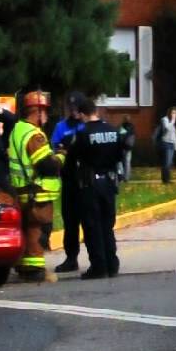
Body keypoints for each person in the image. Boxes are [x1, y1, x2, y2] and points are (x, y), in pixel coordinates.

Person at [6, 90, 64, 282]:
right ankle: (34, 270)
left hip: (24, 191)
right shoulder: (34, 135)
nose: (46, 116)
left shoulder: (18, 130)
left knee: (28, 228)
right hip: (37, 193)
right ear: (37, 112)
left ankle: (24, 265)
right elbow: (46, 165)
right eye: (44, 111)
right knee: (37, 231)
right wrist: (62, 156)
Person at [65, 96, 123, 280]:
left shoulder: (82, 135)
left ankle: (99, 266)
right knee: (108, 225)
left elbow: (71, 159)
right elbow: (119, 156)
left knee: (92, 226)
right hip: (109, 183)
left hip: (90, 184)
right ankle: (112, 264)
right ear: (95, 111)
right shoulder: (113, 131)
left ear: (81, 114)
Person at [51, 93, 87, 271]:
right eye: (71, 108)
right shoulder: (61, 126)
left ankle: (97, 257)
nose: (74, 112)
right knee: (70, 221)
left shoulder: (86, 125)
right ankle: (71, 258)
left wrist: (70, 148)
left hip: (86, 180)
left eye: (77, 108)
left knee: (89, 221)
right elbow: (56, 148)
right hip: (69, 180)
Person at [157, 107, 176, 183]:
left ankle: (166, 179)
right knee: (167, 162)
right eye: (173, 113)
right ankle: (166, 180)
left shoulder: (174, 123)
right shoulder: (165, 119)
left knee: (168, 163)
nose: (174, 115)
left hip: (172, 144)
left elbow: (174, 135)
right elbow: (167, 128)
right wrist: (172, 121)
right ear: (169, 113)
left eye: (175, 113)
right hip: (166, 143)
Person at [118, 116, 136, 182]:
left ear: (124, 120)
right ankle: (127, 177)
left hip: (123, 147)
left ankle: (122, 176)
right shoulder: (132, 127)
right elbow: (133, 137)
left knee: (121, 162)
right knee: (127, 162)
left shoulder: (122, 126)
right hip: (129, 147)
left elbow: (121, 137)